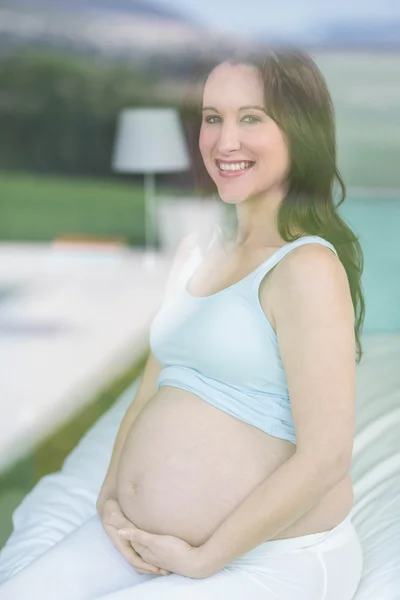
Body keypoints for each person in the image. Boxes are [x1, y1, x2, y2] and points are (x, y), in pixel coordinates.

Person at [0, 48, 365, 600]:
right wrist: (111, 497)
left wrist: (203, 558)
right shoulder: (197, 248)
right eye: (212, 117)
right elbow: (152, 386)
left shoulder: (306, 267)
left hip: (269, 555)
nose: (225, 141)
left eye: (251, 118)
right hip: (147, 541)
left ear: (301, 131)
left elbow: (326, 456)